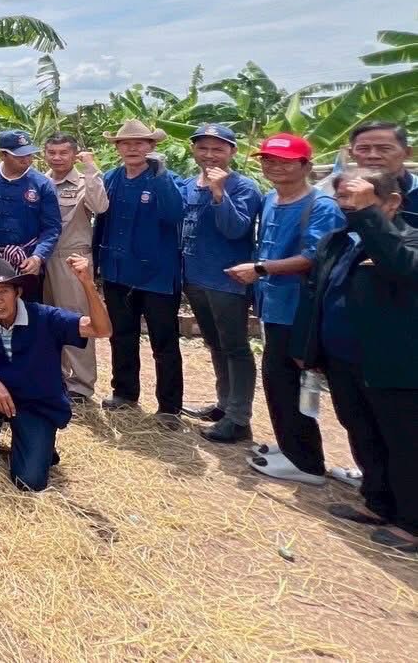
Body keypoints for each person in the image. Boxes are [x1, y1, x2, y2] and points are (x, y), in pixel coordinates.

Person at [293, 170, 418, 552]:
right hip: (343, 360)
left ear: (393, 202)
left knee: (402, 443)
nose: (348, 206)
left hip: (391, 365)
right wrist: (308, 349)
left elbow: (400, 266)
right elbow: (318, 293)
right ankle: (378, 503)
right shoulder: (341, 240)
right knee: (362, 433)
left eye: (360, 198)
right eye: (345, 198)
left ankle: (410, 524)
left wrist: (369, 215)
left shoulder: (407, 239)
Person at [228, 133, 343, 485]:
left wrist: (261, 269)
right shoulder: (272, 199)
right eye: (267, 160)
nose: (273, 166)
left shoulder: (322, 206)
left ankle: (306, 463)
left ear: (306, 165)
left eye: (284, 161)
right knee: (278, 380)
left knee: (289, 381)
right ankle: (292, 447)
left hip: (300, 309)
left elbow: (314, 257)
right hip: (273, 305)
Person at [0, 254, 112, 491]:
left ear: (18, 291)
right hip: (0, 398)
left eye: (4, 291)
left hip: (36, 403)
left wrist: (87, 284)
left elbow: (101, 329)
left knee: (28, 482)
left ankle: (39, 441)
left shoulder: (45, 317)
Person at [93, 120, 185, 426]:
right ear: (117, 148)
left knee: (164, 341)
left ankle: (170, 406)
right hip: (118, 272)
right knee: (122, 335)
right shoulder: (111, 178)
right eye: (126, 144)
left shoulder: (167, 180)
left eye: (140, 143)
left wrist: (159, 177)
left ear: (152, 147)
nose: (133, 149)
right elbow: (101, 224)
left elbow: (174, 214)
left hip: (157, 276)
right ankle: (125, 392)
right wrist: (96, 264)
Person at [177, 123, 263, 443]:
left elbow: (235, 229)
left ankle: (239, 418)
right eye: (203, 148)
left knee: (236, 347)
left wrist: (219, 192)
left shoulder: (244, 187)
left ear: (232, 152)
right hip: (195, 279)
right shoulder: (187, 185)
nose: (210, 155)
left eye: (218, 149)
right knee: (215, 344)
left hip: (227, 280)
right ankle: (225, 405)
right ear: (194, 150)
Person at [42, 132, 107, 403]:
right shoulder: (40, 182)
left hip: (72, 259)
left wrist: (91, 169)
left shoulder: (84, 181)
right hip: (41, 259)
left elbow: (100, 206)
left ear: (74, 154)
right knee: (46, 321)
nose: (57, 158)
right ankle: (55, 378)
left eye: (63, 153)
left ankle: (80, 385)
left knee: (77, 320)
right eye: (52, 152)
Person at [0, 129, 61, 303]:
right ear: (2, 155)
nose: (27, 159)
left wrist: (38, 257)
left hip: (27, 260)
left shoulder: (42, 184)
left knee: (29, 308)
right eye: (19, 156)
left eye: (29, 154)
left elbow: (52, 227)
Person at [348, 122, 418, 227]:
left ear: (407, 152)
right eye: (363, 149)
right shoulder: (338, 193)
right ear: (351, 154)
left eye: (385, 149)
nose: (373, 156)